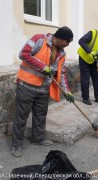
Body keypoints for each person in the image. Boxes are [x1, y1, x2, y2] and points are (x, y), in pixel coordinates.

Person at [12, 26, 75, 157]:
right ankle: (16, 145)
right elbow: (23, 54)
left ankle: (38, 139)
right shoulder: (39, 39)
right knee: (21, 116)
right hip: (26, 86)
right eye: (67, 42)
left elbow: (61, 72)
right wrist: (43, 67)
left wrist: (67, 91)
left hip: (43, 89)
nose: (68, 45)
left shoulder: (61, 53)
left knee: (41, 115)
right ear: (60, 38)